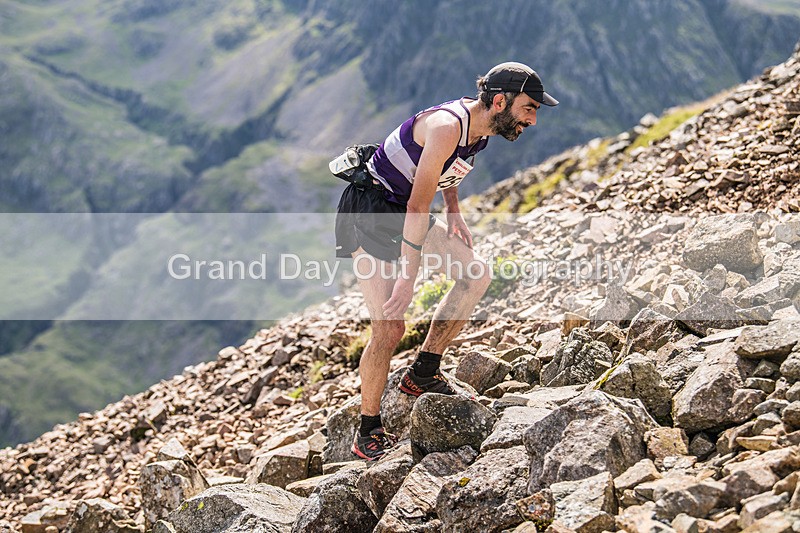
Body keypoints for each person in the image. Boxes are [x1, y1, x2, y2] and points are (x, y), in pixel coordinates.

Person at [334, 62, 558, 460]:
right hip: (370, 212)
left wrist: (454, 210)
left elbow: (446, 172)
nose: (533, 120)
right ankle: (367, 431)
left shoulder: (484, 128)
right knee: (389, 328)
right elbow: (419, 208)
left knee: (476, 275)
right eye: (529, 108)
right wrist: (408, 278)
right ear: (501, 100)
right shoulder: (446, 126)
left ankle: (422, 373)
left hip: (403, 208)